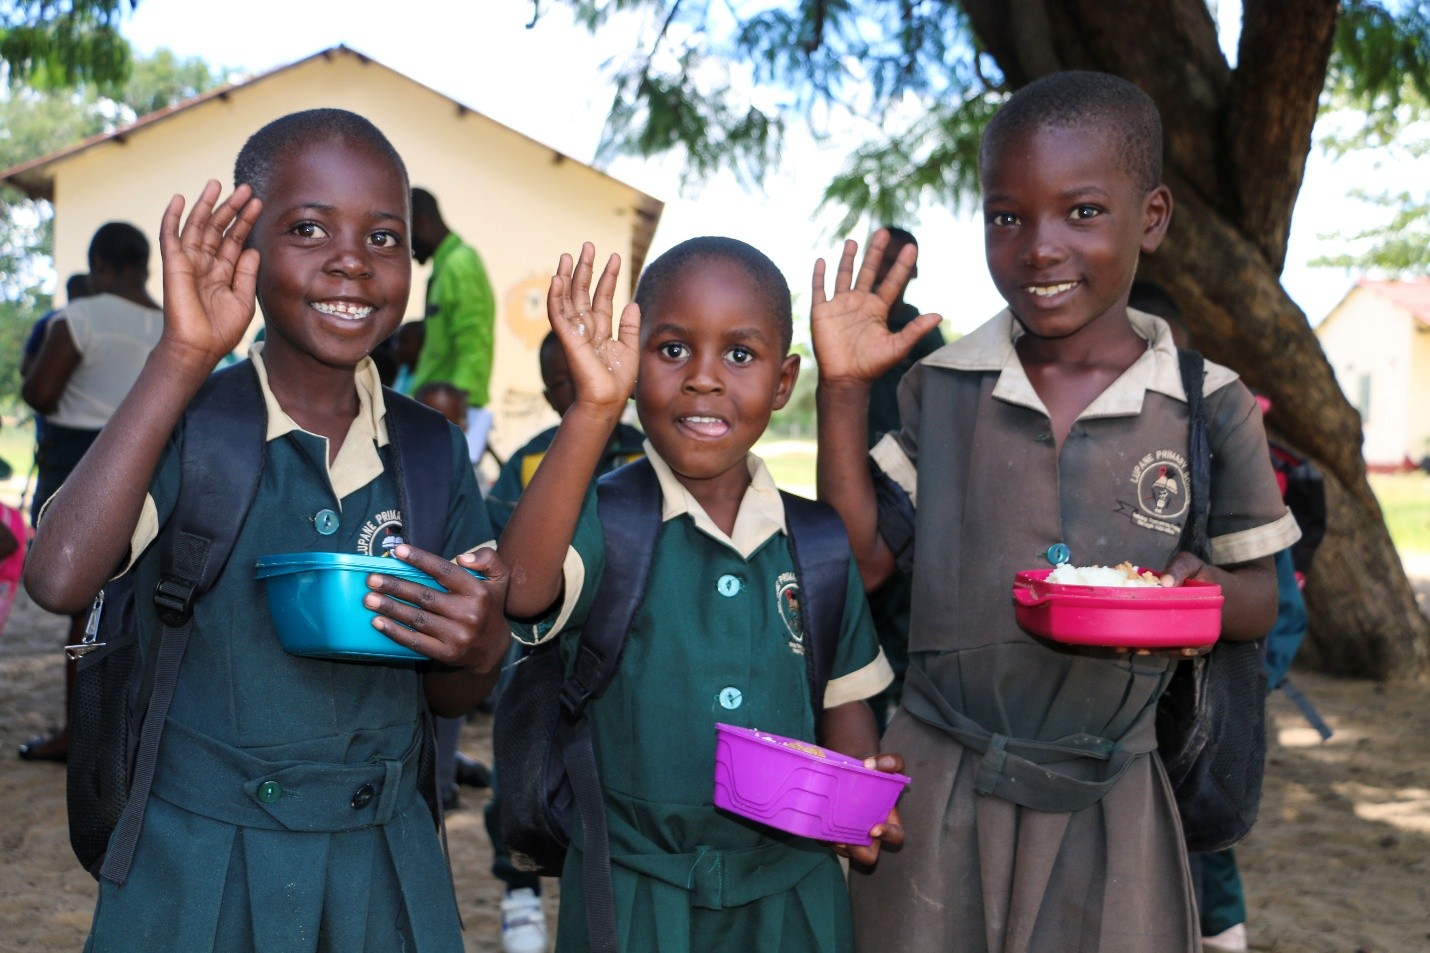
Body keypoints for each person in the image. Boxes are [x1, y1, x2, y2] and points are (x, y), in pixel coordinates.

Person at [812, 71, 1298, 953]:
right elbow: (865, 558)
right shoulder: (942, 385)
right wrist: (843, 391)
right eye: (1007, 217)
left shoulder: (1208, 402)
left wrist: (1202, 593)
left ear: (1151, 217)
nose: (1040, 248)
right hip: (940, 784)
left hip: (1111, 795)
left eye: (1082, 212)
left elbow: (1262, 596)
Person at [22, 107, 511, 952]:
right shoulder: (191, 424)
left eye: (384, 237)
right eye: (309, 228)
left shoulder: (430, 453)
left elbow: (448, 697)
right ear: (245, 249)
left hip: (382, 869)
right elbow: (58, 575)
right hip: (195, 865)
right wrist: (181, 354)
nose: (351, 260)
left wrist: (478, 644)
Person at [498, 237, 904, 952]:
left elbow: (844, 698)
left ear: (783, 383)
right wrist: (594, 407)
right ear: (632, 361)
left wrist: (856, 793)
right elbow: (523, 590)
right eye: (673, 350)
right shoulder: (606, 518)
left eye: (739, 354)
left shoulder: (815, 540)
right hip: (633, 894)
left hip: (791, 897)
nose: (704, 379)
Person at [479, 328, 646, 953]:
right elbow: (497, 551)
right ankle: (519, 885)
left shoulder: (645, 452)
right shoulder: (529, 461)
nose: (573, 390)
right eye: (558, 382)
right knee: (522, 762)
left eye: (583, 375)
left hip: (622, 643)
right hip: (541, 646)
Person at [18, 226, 163, 763]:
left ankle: (78, 735)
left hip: (83, 464)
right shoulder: (174, 322)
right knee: (145, 599)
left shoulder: (79, 318)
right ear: (145, 265)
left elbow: (40, 392)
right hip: (159, 462)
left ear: (99, 263)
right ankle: (136, 732)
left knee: (83, 602)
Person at [862, 227, 943, 731]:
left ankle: (899, 709)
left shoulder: (922, 335)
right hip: (854, 486)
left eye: (900, 264)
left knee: (901, 599)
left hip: (907, 492)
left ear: (913, 273)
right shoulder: (849, 324)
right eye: (882, 261)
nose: (889, 274)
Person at [409, 186, 497, 461]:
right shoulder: (445, 266)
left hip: (449, 415)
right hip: (434, 411)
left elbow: (474, 340)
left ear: (419, 223)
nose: (406, 250)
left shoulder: (460, 264)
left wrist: (457, 410)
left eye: (404, 237)